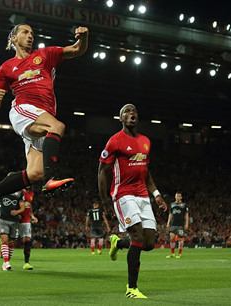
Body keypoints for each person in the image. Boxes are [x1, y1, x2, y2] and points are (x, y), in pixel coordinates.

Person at [0, 24, 89, 228]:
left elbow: (77, 49)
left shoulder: (46, 54)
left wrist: (84, 37)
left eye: (32, 33)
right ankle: (50, 179)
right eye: (25, 32)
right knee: (57, 127)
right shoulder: (6, 68)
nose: (30, 35)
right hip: (23, 110)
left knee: (34, 173)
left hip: (42, 115)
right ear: (14, 38)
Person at [98, 103, 167, 299]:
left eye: (134, 111)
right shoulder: (115, 141)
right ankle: (132, 288)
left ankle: (118, 243)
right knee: (137, 237)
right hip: (123, 194)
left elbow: (146, 172)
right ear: (121, 119)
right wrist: (105, 201)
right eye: (127, 112)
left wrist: (157, 195)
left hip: (143, 195)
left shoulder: (145, 141)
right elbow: (102, 172)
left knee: (149, 243)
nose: (131, 114)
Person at [0, 188, 24, 271]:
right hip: (3, 220)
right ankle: (6, 262)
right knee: (4, 240)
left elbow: (22, 207)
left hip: (14, 221)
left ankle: (6, 262)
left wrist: (17, 212)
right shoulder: (2, 191)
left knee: (12, 242)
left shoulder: (19, 193)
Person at [165, 191, 189, 259]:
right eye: (177, 196)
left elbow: (186, 214)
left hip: (180, 224)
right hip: (173, 224)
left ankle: (179, 254)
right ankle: (172, 254)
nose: (178, 197)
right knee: (172, 238)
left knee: (181, 239)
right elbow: (170, 214)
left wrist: (186, 223)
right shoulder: (172, 204)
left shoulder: (184, 205)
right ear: (175, 197)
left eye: (179, 196)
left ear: (181, 197)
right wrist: (168, 222)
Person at [19, 186, 38, 270]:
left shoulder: (31, 193)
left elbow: (29, 205)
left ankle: (26, 263)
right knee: (12, 240)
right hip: (17, 219)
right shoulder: (19, 192)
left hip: (26, 220)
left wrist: (32, 216)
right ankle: (5, 260)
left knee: (27, 240)